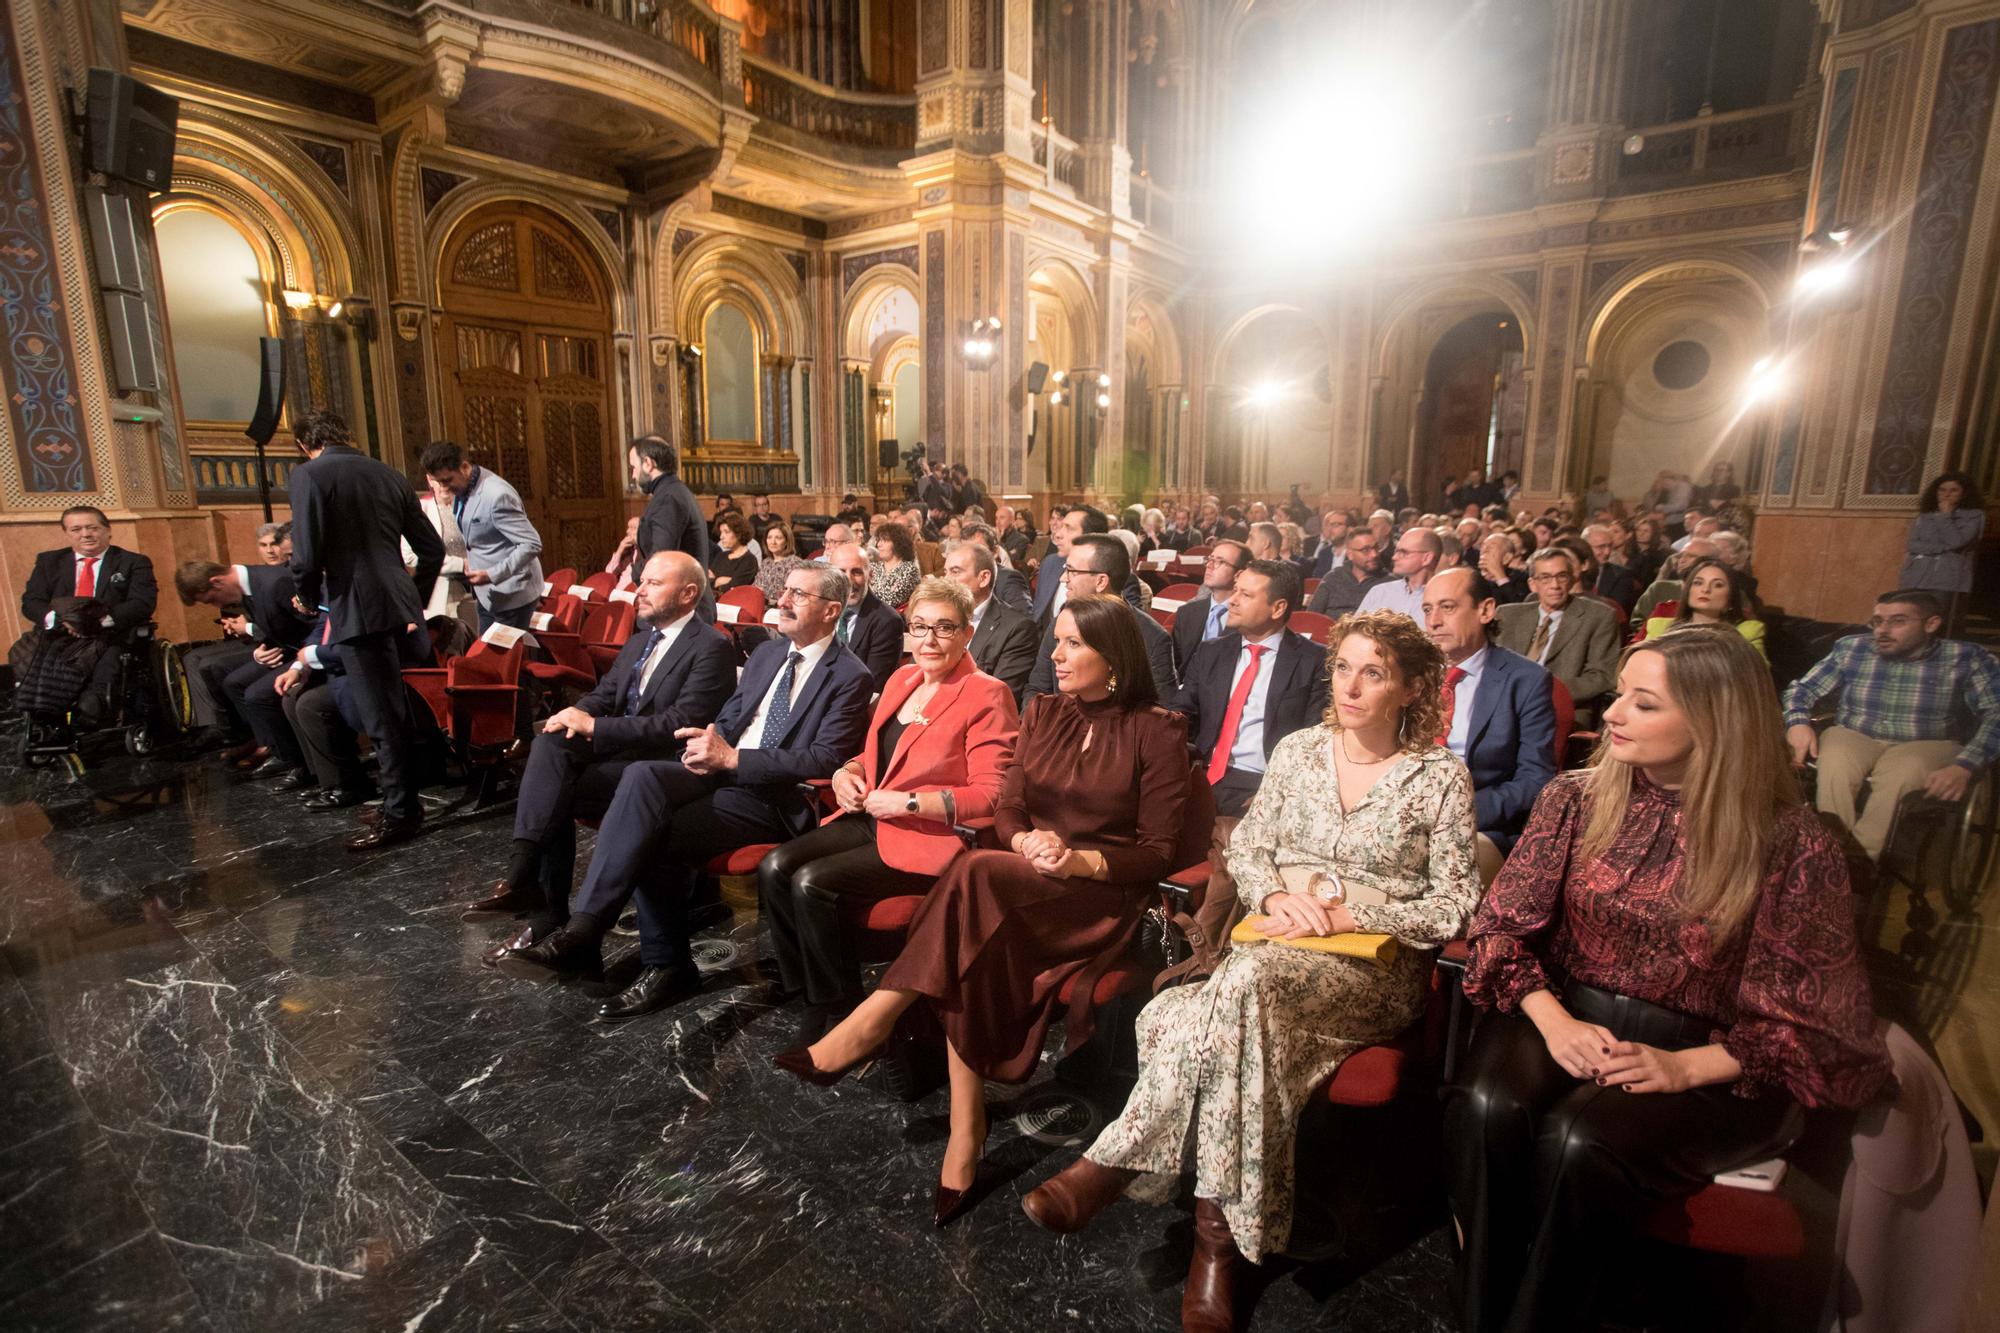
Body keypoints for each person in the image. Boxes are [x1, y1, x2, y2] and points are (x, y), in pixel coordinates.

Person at [1021, 611, 1481, 1329]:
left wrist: (1348, 916)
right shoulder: (1299, 751)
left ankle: (1114, 1162)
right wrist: (1273, 894)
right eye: (1344, 666)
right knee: (1181, 1011)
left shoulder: (1437, 777)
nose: (1351, 684)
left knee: (1232, 989)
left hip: (1369, 972)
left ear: (1412, 686)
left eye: (1374, 671)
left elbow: (1454, 902)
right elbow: (1249, 847)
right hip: (1273, 946)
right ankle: (1218, 1249)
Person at [1444, 629, 1891, 1333]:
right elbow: (1502, 928)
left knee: (1576, 1138)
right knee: (1488, 1101)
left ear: (1714, 720)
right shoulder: (1575, 798)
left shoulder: (1791, 842)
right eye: (1620, 691)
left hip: (1712, 1055)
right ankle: (1479, 1316)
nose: (1613, 713)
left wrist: (1684, 1066)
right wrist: (1556, 1023)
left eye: (1643, 702)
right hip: (1569, 1013)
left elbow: (1809, 1026)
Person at [778, 595, 1192, 1227]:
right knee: (975, 920)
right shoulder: (1045, 710)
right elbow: (1009, 806)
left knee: (973, 876)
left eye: (1074, 644)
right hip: (1021, 873)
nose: (1055, 655)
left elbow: (1158, 852)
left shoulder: (1157, 729)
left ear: (1114, 658)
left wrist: (1074, 860)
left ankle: (873, 1024)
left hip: (1097, 894)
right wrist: (1026, 839)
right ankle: (964, 1129)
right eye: (1056, 641)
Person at [494, 564, 875, 1014]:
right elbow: (734, 718)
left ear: (832, 611)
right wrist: (709, 739)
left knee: (654, 832)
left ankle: (659, 962)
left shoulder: (851, 675)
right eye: (784, 591)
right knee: (642, 777)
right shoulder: (769, 656)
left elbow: (824, 758)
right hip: (720, 770)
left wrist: (734, 758)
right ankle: (585, 928)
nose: (783, 601)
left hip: (773, 796)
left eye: (798, 595)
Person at [759, 577, 1018, 1034]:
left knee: (811, 882)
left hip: (930, 836)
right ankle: (806, 990)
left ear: (966, 634)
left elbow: (992, 794)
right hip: (874, 817)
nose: (929, 640)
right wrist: (847, 773)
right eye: (919, 627)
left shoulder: (987, 694)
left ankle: (843, 1011)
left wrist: (909, 802)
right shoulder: (902, 678)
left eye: (944, 628)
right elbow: (877, 755)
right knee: (775, 865)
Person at [453, 552, 735, 961]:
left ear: (689, 594)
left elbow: (678, 722)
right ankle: (525, 877)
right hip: (621, 757)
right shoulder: (640, 640)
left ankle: (542, 907)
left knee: (554, 789)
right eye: (642, 580)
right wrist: (576, 713)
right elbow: (604, 696)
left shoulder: (711, 646)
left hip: (665, 768)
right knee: (551, 745)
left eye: (654, 583)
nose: (640, 590)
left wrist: (596, 728)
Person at [284, 411, 443, 850]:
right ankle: (404, 799)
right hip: (398, 603)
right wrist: (414, 596)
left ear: (304, 444)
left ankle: (401, 813)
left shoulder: (309, 476)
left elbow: (306, 552)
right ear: (347, 434)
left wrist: (305, 594)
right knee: (395, 708)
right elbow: (431, 550)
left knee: (381, 717)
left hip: (357, 608)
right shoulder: (389, 474)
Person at [1784, 589, 2000, 859]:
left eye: (1898, 621)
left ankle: (1859, 864)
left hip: (1926, 743)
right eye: (1877, 621)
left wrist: (1966, 765)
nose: (1882, 630)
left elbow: (1996, 712)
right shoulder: (1852, 648)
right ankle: (1830, 853)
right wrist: (1798, 723)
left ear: (1931, 624)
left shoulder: (1966, 657)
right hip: (1856, 734)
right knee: (1835, 762)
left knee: (1900, 774)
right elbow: (1801, 690)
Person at [1423, 568, 1557, 856]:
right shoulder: (1410, 675)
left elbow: (1535, 780)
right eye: (1427, 610)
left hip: (1478, 824)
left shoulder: (1526, 681)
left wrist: (1459, 811)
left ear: (1485, 610)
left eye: (1447, 608)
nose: (1433, 622)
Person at [172, 559, 320, 785]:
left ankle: (297, 762)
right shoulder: (248, 587)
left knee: (258, 695)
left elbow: (315, 625)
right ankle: (275, 747)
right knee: (235, 682)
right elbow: (275, 624)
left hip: (309, 653)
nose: (215, 605)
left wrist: (300, 664)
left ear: (217, 582)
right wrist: (262, 649)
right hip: (286, 650)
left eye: (211, 600)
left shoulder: (275, 583)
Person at [16, 506, 159, 726]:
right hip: (60, 632)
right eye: (76, 529)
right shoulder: (49, 562)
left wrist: (96, 623)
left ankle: (93, 708)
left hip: (109, 634)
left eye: (92, 527)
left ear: (107, 530)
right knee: (29, 653)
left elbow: (142, 603)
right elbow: (32, 601)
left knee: (108, 660)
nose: (85, 534)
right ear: (67, 533)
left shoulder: (132, 562)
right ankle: (44, 711)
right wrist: (60, 621)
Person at [1026, 535, 1177, 701]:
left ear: (1101, 581)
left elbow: (1162, 714)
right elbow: (1037, 689)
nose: (1063, 578)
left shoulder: (1152, 638)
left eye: (1071, 571)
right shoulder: (1062, 622)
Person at [418, 441, 544, 632]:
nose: (444, 487)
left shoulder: (497, 495)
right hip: (487, 595)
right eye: (439, 482)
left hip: (512, 594)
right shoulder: (463, 487)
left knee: (502, 660)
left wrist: (493, 574)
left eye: (447, 480)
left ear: (465, 467)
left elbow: (531, 544)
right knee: (486, 657)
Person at [1495, 547, 1620, 718]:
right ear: (1533, 584)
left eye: (1561, 576)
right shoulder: (1508, 615)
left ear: (1571, 580)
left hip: (1560, 707)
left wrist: (1544, 691)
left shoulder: (1599, 616)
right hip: (1506, 704)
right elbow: (1492, 664)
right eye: (1545, 578)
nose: (1555, 585)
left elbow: (1602, 676)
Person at [944, 538, 1036, 702]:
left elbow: (998, 695)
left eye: (955, 571)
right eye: (946, 572)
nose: (946, 580)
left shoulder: (1017, 628)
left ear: (984, 578)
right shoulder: (937, 617)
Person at [1900, 471, 1984, 635]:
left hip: (1947, 578)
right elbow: (1913, 545)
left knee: (1938, 622)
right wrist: (1942, 547)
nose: (1946, 494)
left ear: (1964, 493)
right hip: (1916, 574)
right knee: (1911, 618)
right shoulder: (1925, 515)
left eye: (1953, 490)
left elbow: (1956, 542)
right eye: (1942, 490)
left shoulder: (1974, 516)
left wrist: (1945, 516)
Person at [1643, 557, 1766, 659]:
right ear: (1688, 590)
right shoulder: (1658, 628)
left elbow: (1754, 679)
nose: (1705, 589)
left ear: (1730, 597)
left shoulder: (1748, 633)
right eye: (1698, 583)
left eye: (1718, 585)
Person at [825, 543, 905, 692]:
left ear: (870, 576)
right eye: (841, 572)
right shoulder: (821, 611)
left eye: (856, 572)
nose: (848, 580)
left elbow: (873, 685)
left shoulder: (887, 621)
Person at [1172, 540, 1248, 672]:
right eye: (1210, 559)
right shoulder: (1187, 613)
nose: (1210, 565)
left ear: (1238, 574)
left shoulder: (1248, 619)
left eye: (1220, 561)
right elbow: (1173, 666)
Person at [1356, 525, 1441, 622]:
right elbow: (1354, 631)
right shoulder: (1379, 592)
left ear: (1427, 558)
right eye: (1396, 551)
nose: (1394, 557)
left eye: (1403, 552)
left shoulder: (1445, 598)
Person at [1308, 528, 1389, 617]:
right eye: (1366, 550)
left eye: (1376, 548)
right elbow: (1312, 617)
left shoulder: (1388, 582)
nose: (1374, 554)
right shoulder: (1333, 578)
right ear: (1350, 554)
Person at [1634, 537, 1716, 621]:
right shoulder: (1659, 589)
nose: (1682, 560)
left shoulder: (1715, 592)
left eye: (1691, 556)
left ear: (1709, 561)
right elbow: (1637, 621)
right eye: (1681, 556)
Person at [1579, 524, 1638, 613]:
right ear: (1584, 546)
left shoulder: (1622, 576)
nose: (1607, 552)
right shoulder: (1573, 571)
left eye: (1610, 546)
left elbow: (1618, 611)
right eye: (1600, 547)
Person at [867, 521, 922, 609]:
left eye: (884, 540)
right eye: (878, 540)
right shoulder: (873, 567)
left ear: (898, 543)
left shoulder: (910, 569)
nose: (878, 545)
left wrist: (872, 593)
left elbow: (891, 600)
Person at [753, 523, 808, 603]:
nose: (773, 542)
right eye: (769, 537)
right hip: (759, 605)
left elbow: (793, 594)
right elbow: (755, 586)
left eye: (778, 538)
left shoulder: (795, 563)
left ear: (787, 541)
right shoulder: (766, 562)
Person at [708, 512, 759, 594]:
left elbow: (735, 589)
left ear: (739, 533)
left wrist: (716, 581)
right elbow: (706, 584)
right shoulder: (721, 555)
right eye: (721, 532)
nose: (721, 537)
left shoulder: (749, 560)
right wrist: (718, 581)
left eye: (726, 532)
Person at [603, 515, 642, 589]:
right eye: (628, 527)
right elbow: (609, 573)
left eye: (633, 528)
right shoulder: (628, 550)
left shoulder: (649, 552)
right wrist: (620, 549)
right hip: (619, 592)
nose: (627, 531)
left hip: (634, 594)